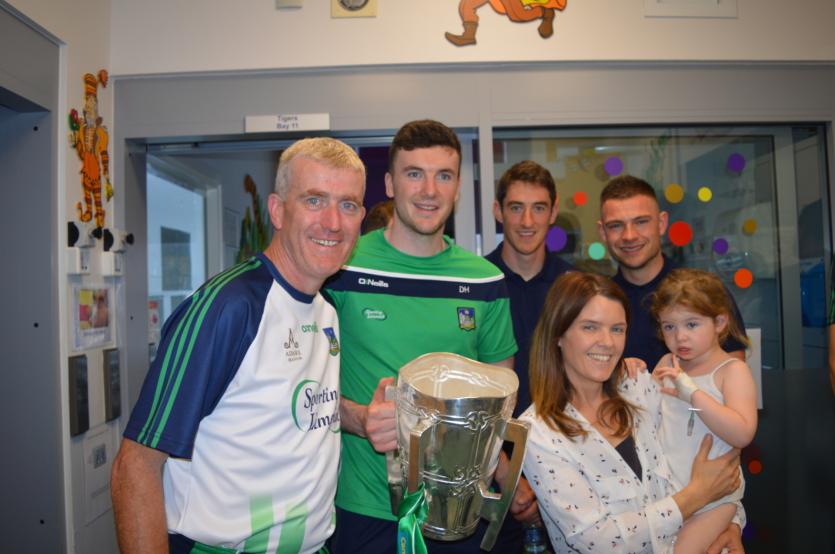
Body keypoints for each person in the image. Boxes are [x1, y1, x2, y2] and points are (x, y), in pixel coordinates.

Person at [110, 137, 367, 554]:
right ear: (278, 210)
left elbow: (282, 406)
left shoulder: (327, 310)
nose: (333, 222)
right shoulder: (228, 307)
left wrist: (360, 416)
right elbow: (134, 467)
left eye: (348, 204)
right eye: (315, 200)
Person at [324, 119, 534, 552]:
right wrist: (360, 418)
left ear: (458, 187)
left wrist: (506, 477)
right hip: (366, 508)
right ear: (389, 183)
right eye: (414, 173)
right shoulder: (343, 268)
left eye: (444, 176)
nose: (429, 191)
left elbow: (497, 404)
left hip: (458, 515)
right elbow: (306, 386)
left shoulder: (485, 281)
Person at [521, 271, 744, 553]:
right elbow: (597, 539)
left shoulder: (639, 386)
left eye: (617, 329)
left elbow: (711, 453)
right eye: (590, 327)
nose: (608, 342)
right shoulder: (539, 432)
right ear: (558, 334)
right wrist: (695, 496)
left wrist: (730, 521)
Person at [650, 269, 757, 553]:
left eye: (692, 324)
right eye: (669, 327)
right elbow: (645, 419)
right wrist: (634, 380)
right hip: (671, 495)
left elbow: (743, 432)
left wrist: (692, 395)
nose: (680, 337)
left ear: (720, 322)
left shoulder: (732, 371)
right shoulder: (667, 362)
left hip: (716, 499)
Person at [597, 175, 748, 371]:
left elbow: (732, 375)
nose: (629, 235)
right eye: (616, 225)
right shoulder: (598, 301)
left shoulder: (703, 291)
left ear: (661, 223)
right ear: (602, 233)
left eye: (641, 222)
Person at [485, 160, 574, 418]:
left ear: (553, 212)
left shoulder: (574, 286)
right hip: (493, 441)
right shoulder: (477, 283)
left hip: (563, 439)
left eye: (538, 208)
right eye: (516, 208)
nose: (527, 221)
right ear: (498, 211)